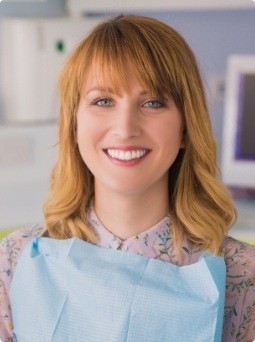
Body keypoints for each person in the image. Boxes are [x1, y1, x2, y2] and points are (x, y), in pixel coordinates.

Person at [0, 14, 254, 342]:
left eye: (153, 102)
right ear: (74, 126)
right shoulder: (16, 259)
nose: (125, 128)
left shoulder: (242, 277)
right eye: (103, 101)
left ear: (185, 128)